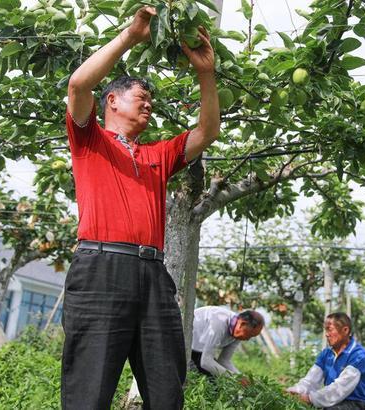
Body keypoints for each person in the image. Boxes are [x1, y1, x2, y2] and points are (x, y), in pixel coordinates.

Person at [62, 6, 219, 409]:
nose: (149, 106)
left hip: (152, 273)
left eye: (151, 102)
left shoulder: (157, 155)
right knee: (89, 390)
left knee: (167, 391)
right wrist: (131, 35)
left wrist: (205, 73)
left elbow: (207, 131)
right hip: (100, 268)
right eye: (142, 99)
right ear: (111, 100)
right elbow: (79, 85)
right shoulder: (90, 140)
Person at [287, 312, 365, 409]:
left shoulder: (358, 355)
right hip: (335, 401)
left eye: (330, 330)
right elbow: (310, 380)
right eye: (325, 330)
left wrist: (310, 399)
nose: (327, 334)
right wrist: (295, 391)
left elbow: (340, 389)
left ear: (345, 330)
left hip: (356, 403)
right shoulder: (326, 354)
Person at [190, 307, 264, 376]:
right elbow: (206, 362)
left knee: (215, 380)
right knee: (192, 377)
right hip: (185, 345)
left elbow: (224, 361)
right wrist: (235, 378)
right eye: (250, 334)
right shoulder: (219, 324)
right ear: (242, 323)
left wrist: (240, 376)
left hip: (200, 352)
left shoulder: (238, 333)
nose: (248, 339)